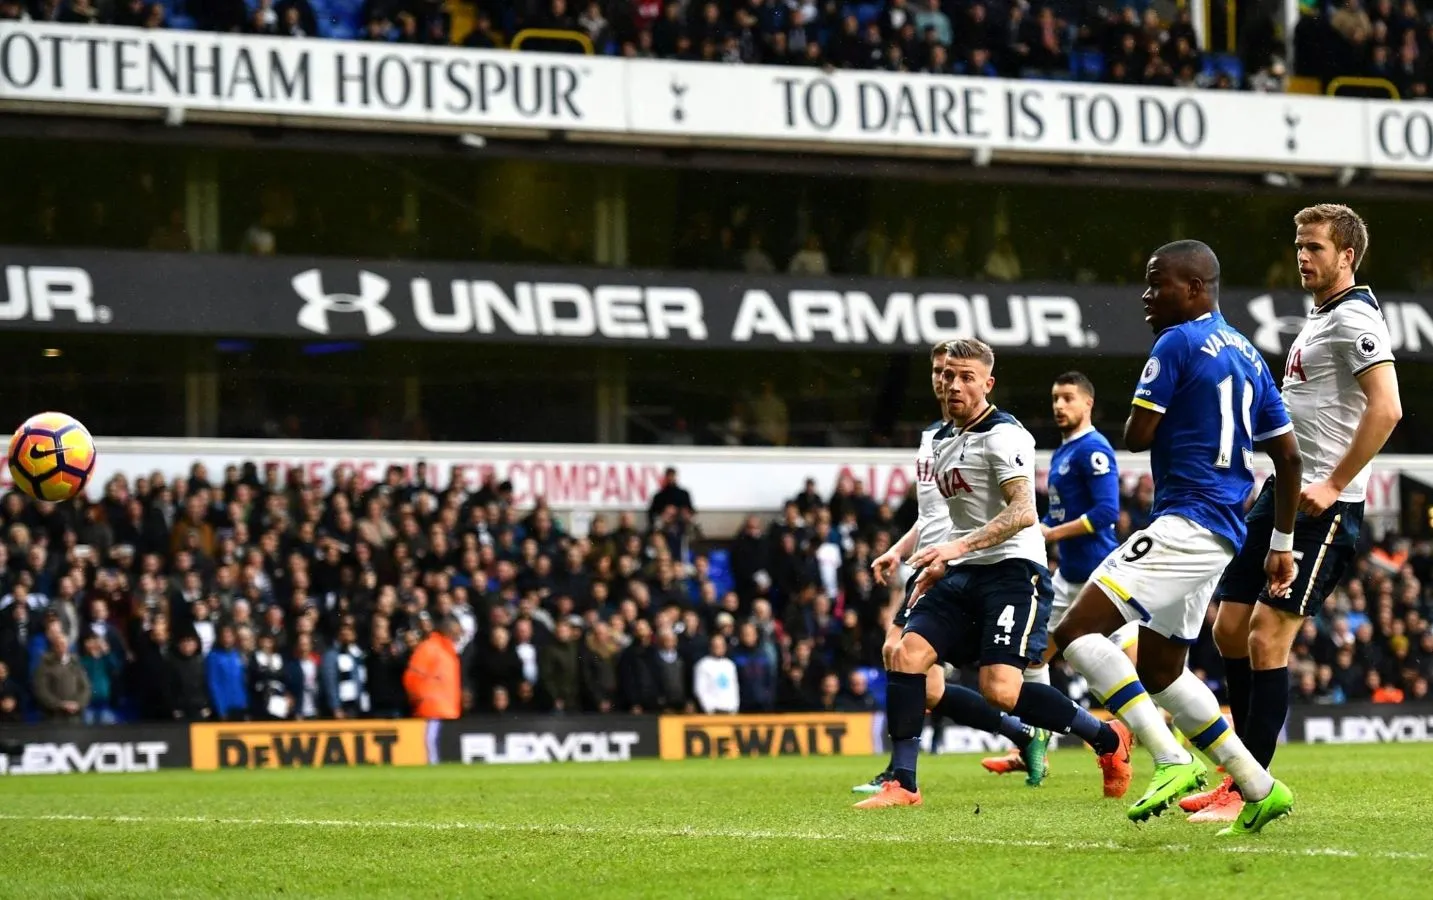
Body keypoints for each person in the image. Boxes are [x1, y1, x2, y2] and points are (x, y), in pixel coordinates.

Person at [1049, 240, 1302, 836]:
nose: (1146, 295)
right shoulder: (1246, 351)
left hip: (1187, 521)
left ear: (1195, 288)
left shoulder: (1177, 342)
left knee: (1075, 633)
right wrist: (1281, 542)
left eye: (1156, 283)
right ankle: (1260, 785)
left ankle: (1169, 758)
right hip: (1224, 530)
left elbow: (1138, 433)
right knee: (1162, 668)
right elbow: (1288, 457)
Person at [1187, 205, 1402, 822]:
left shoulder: (1357, 317)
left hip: (1322, 506)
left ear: (1347, 256)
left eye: (1315, 247)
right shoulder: (1321, 318)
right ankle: (1241, 773)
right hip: (1279, 495)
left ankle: (1250, 785)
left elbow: (1386, 408)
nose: (1303, 256)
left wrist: (1335, 483)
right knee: (1227, 627)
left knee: (1265, 633)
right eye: (1300, 245)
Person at [856, 339, 1129, 810]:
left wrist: (955, 547)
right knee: (906, 653)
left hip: (1013, 572)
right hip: (960, 568)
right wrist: (932, 555)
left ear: (988, 383)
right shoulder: (940, 439)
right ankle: (903, 782)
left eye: (966, 377)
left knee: (1001, 691)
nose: (954, 384)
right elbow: (951, 519)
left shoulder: (1005, 434)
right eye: (947, 375)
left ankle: (1106, 737)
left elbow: (1023, 511)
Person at [981, 371, 1135, 796]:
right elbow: (1057, 516)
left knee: (1148, 673)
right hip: (1068, 578)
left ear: (1088, 403)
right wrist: (1036, 528)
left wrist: (1051, 533)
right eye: (1054, 397)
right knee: (1032, 659)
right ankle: (1037, 743)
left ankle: (1187, 748)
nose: (1058, 405)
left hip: (1101, 578)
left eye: (1067, 398)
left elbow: (1106, 512)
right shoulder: (1063, 454)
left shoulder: (1095, 449)